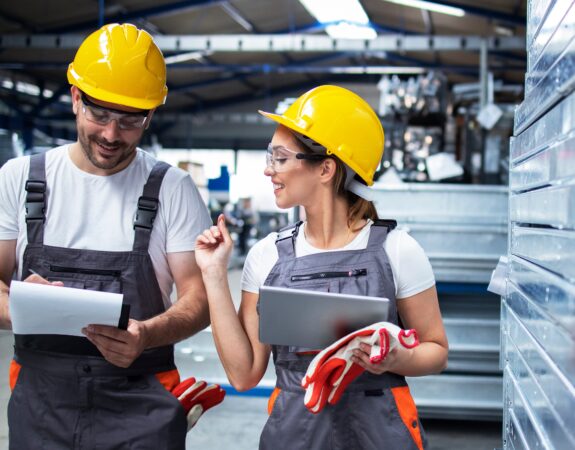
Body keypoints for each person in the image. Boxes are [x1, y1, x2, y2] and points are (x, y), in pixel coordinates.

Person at [195, 85, 449, 450]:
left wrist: (400, 357)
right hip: (294, 437)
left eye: (280, 157)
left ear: (326, 169)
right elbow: (243, 374)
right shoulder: (267, 256)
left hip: (379, 436)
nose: (269, 170)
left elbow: (437, 351)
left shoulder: (398, 251)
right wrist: (214, 274)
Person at [0, 23, 213, 449]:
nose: (112, 135)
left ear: (150, 115)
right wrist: (21, 307)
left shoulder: (172, 188)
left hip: (142, 405)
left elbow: (201, 299)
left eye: (130, 120)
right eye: (100, 114)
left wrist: (146, 335)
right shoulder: (21, 179)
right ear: (76, 97)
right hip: (42, 406)